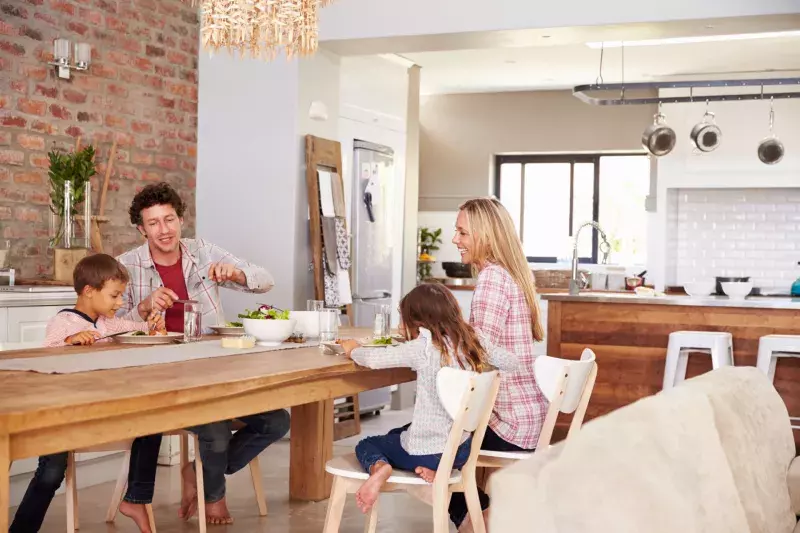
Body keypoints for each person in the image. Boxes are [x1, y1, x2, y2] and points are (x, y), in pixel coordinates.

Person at [116, 182, 290, 525]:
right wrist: (143, 308)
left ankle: (196, 471)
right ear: (141, 228)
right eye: (154, 223)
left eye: (170, 219)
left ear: (181, 219)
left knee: (276, 420)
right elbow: (110, 326)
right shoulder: (126, 265)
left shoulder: (204, 253)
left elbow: (265, 279)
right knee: (215, 429)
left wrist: (237, 274)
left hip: (213, 369)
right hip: (159, 378)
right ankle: (214, 497)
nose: (164, 230)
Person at [10, 254, 165, 533]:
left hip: (92, 411)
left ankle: (136, 497)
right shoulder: (64, 322)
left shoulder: (106, 324)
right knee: (51, 473)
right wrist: (70, 342)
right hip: (58, 413)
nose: (120, 303)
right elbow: (47, 354)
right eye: (115, 296)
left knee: (152, 423)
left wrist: (153, 326)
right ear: (89, 291)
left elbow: (140, 329)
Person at [339, 283, 517, 515]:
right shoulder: (474, 340)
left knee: (368, 443)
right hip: (460, 449)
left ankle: (381, 468)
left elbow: (374, 359)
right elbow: (512, 362)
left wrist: (352, 350)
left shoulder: (423, 347)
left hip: (428, 449)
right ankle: (438, 469)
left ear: (418, 322)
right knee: (398, 435)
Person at [448, 197, 548, 532]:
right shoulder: (511, 275)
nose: (454, 240)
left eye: (462, 232)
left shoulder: (492, 279)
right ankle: (492, 515)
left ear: (486, 237)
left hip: (508, 423)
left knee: (416, 445)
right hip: (528, 420)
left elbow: (479, 356)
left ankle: (481, 520)